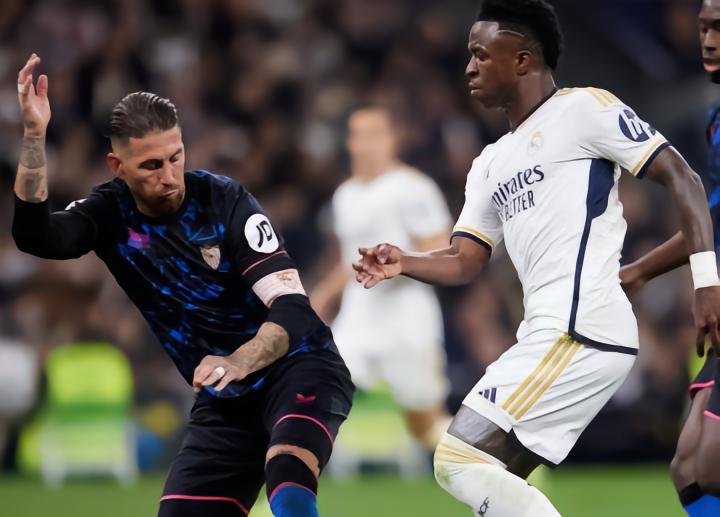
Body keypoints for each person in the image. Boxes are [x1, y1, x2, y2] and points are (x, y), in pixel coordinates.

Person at [352, 0, 720, 515]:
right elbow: (465, 258)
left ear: (523, 60)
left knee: (456, 459)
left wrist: (707, 283)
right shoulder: (489, 163)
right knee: (490, 481)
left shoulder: (584, 109)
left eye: (481, 55)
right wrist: (405, 260)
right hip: (547, 334)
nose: (469, 67)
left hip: (580, 326)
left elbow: (684, 178)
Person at [11, 53, 354, 517]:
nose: (169, 176)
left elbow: (292, 308)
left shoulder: (225, 201)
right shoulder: (108, 214)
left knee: (288, 472)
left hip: (299, 366)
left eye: (176, 157)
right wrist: (34, 137)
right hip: (226, 399)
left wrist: (237, 360)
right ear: (117, 166)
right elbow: (35, 237)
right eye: (151, 166)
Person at [620, 1, 720, 515]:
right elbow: (711, 219)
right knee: (689, 469)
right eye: (704, 27)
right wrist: (638, 272)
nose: (709, 39)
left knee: (711, 466)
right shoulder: (716, 118)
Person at [311, 107, 452, 450]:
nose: (368, 144)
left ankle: (494, 464)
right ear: (350, 142)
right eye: (360, 135)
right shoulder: (346, 195)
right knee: (314, 387)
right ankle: (285, 482)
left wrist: (399, 261)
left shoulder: (413, 187)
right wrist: (321, 297)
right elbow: (349, 262)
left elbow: (443, 245)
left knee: (425, 426)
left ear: (392, 140)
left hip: (408, 317)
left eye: (376, 135)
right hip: (359, 317)